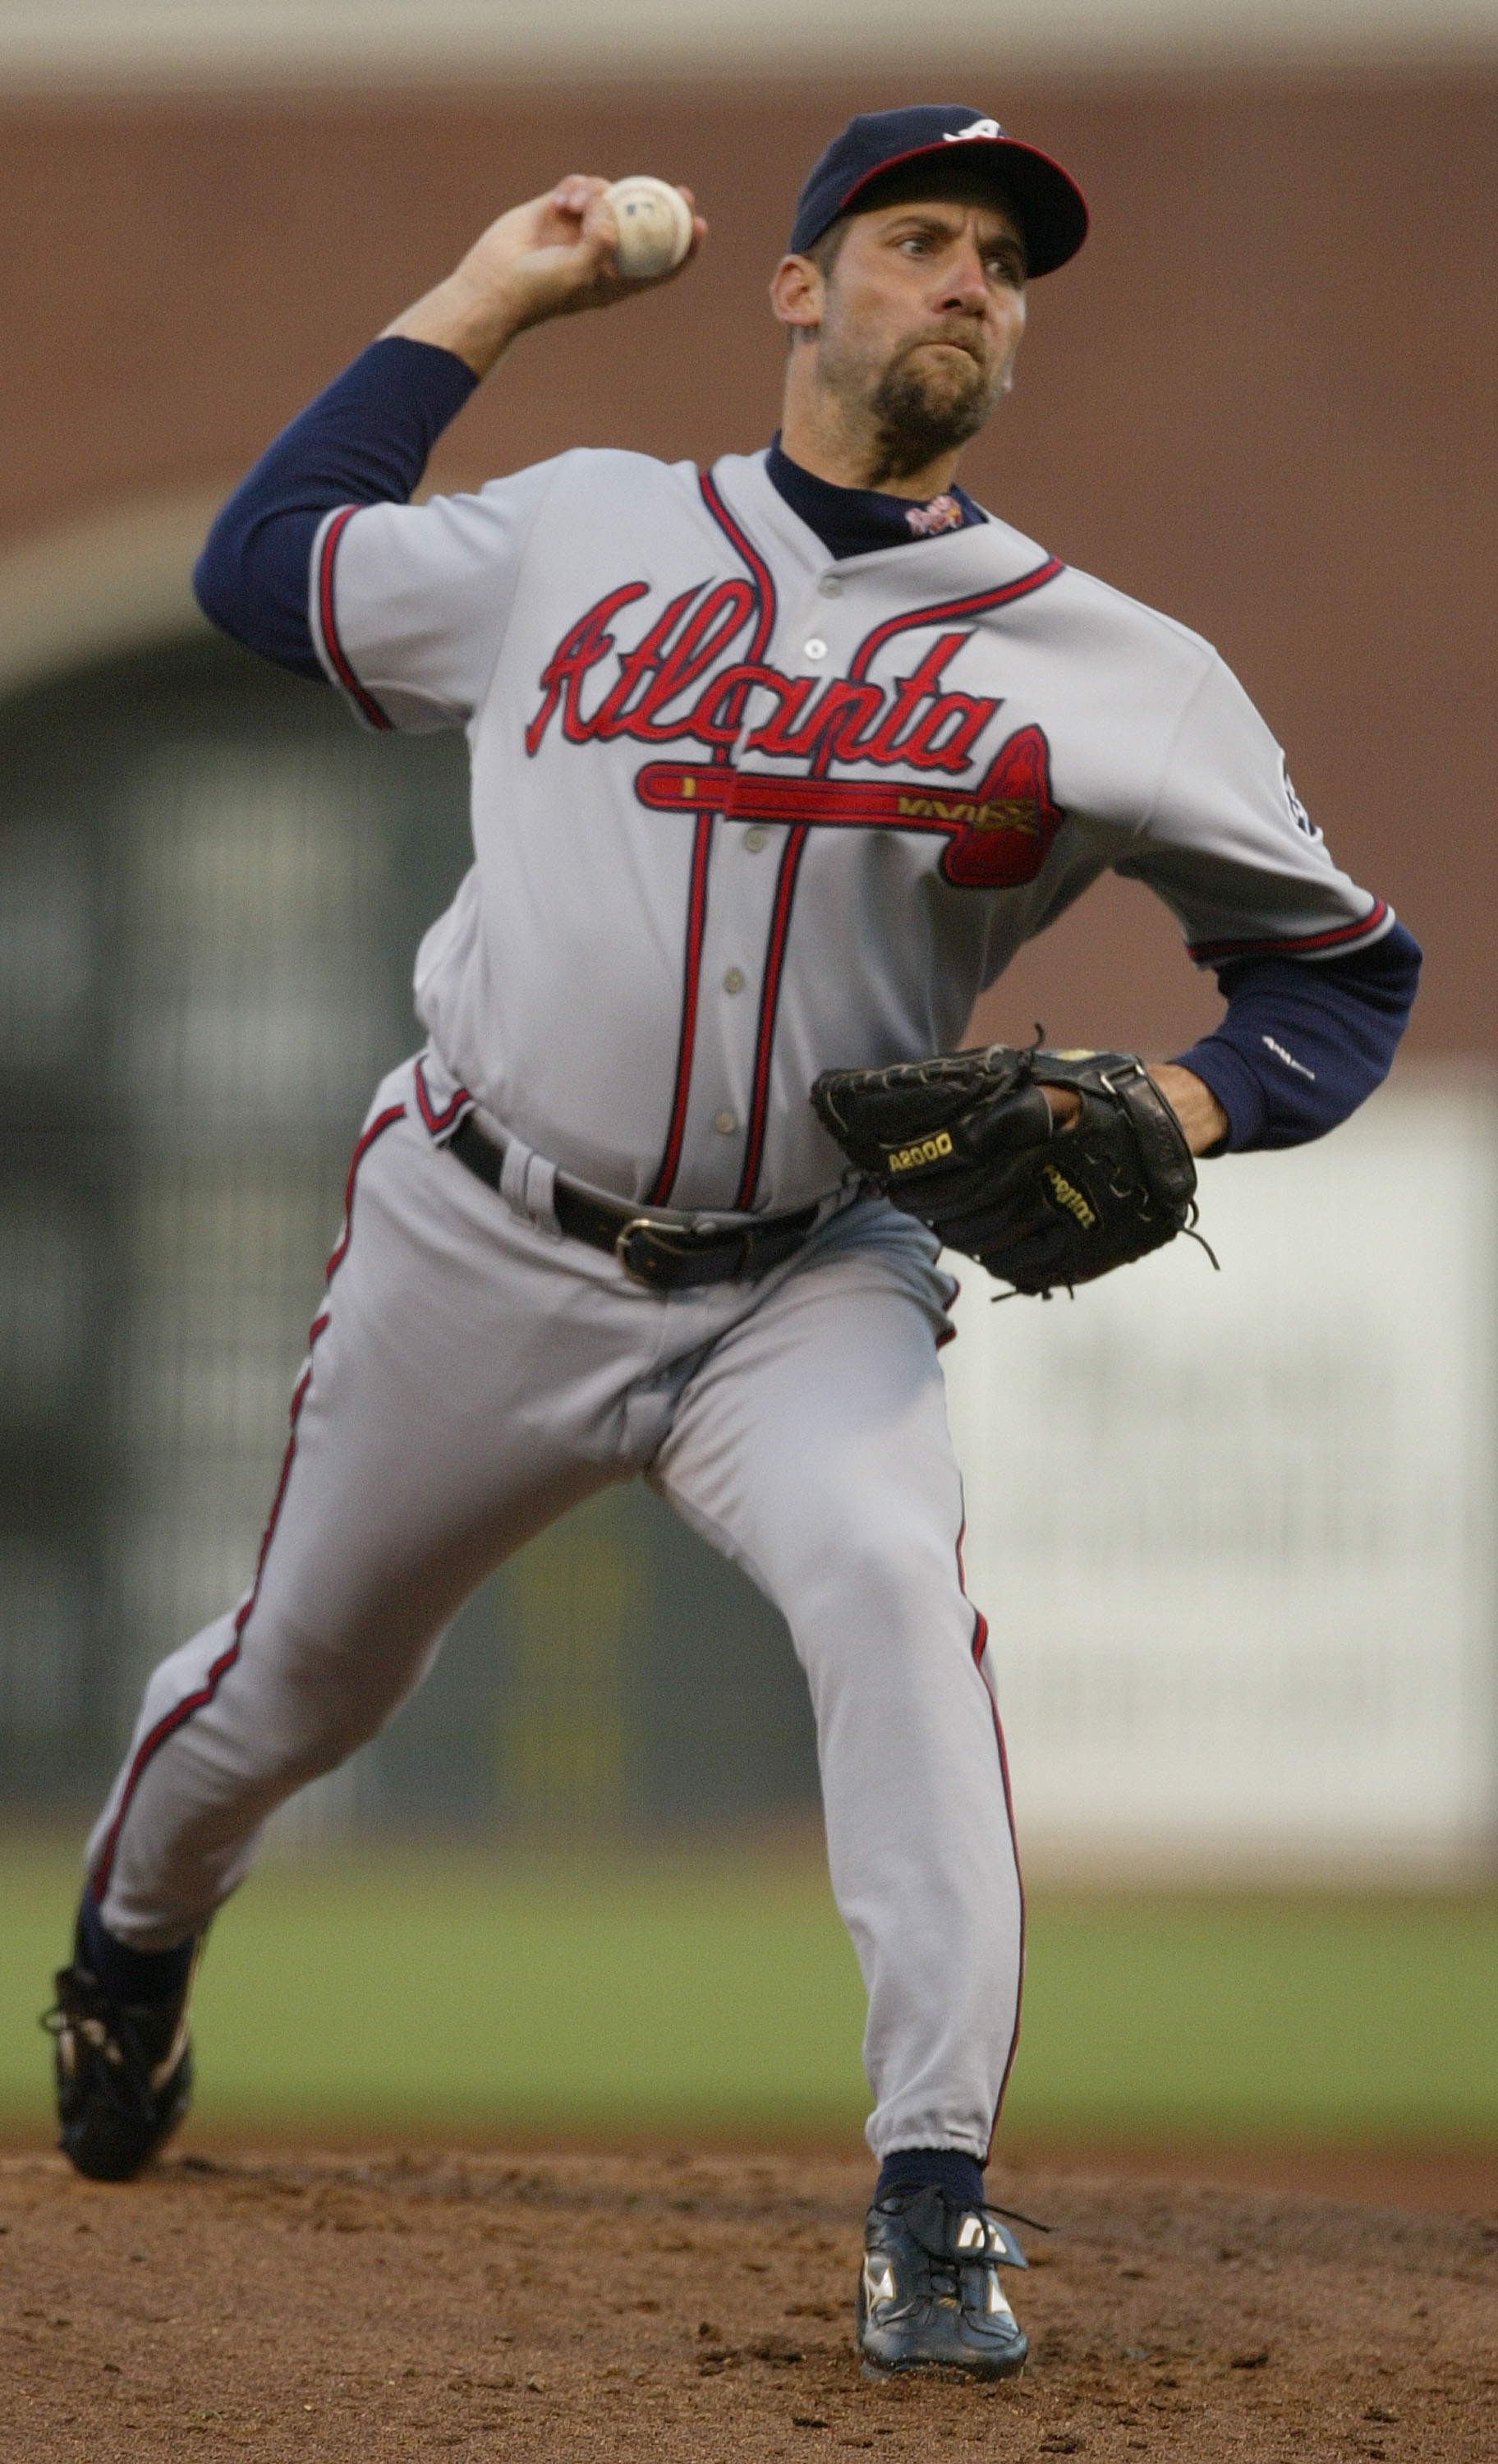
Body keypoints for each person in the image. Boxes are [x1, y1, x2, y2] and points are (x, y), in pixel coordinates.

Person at [47, 105, 1418, 2379]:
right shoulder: (580, 534)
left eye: (1002, 256)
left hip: (810, 1274)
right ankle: (126, 1952)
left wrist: (1173, 1102)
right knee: (300, 1678)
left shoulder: (1114, 668)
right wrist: (496, 294)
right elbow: (255, 571)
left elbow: (1345, 977)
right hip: (478, 1234)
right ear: (797, 288)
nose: (967, 277)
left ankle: (935, 2203)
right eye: (915, 238)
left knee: (895, 1593)